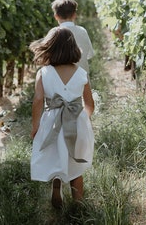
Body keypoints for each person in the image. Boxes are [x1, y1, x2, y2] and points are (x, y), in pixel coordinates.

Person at [29, 27, 95, 209]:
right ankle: (78, 205)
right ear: (73, 48)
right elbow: (89, 104)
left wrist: (35, 126)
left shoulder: (43, 73)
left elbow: (38, 100)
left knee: (55, 154)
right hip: (76, 121)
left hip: (52, 122)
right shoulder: (81, 73)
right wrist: (83, 121)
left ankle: (56, 182)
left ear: (48, 48)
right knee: (76, 163)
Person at [51, 0, 94, 75]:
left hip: (61, 78)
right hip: (82, 77)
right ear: (74, 15)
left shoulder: (54, 33)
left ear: (56, 16)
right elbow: (89, 54)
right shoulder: (82, 31)